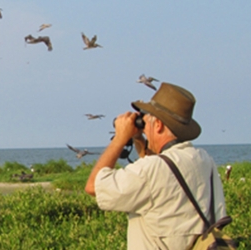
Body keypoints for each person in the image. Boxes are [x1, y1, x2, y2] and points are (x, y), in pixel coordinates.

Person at [84, 82, 227, 249]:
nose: (144, 128)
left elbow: (94, 186)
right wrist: (139, 140)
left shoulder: (152, 170)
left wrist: (120, 138)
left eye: (147, 122)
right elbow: (166, 170)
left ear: (158, 125)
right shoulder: (205, 161)